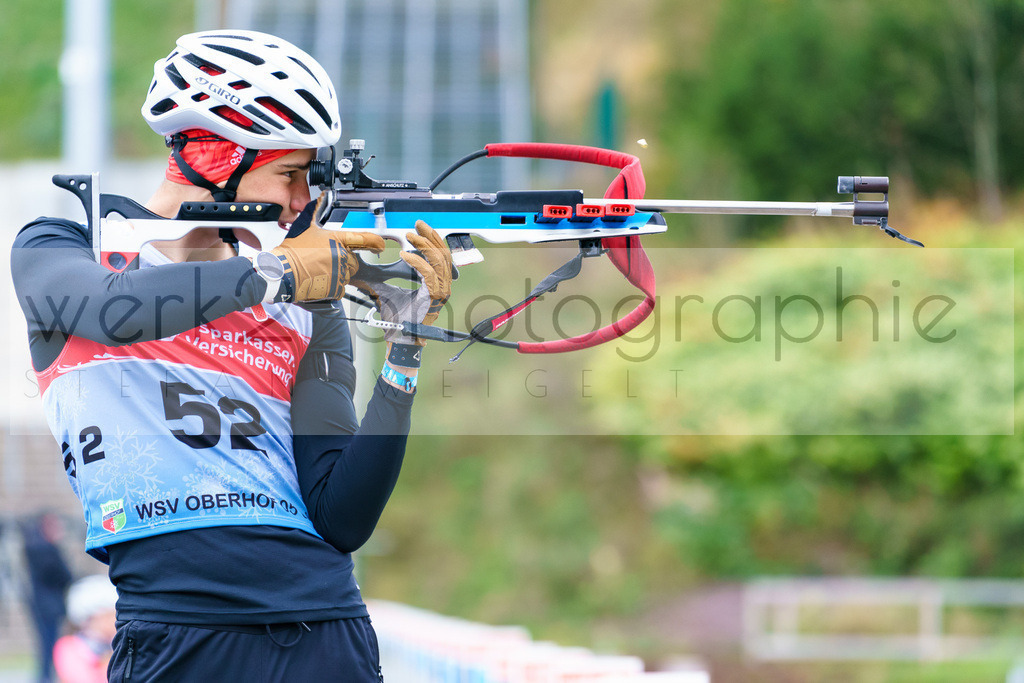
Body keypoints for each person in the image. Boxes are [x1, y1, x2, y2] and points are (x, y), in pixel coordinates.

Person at [11, 30, 452, 681]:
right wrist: (272, 273)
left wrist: (405, 349)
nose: (302, 203)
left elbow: (340, 515)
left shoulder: (305, 303)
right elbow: (113, 311)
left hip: (326, 632)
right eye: (290, 174)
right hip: (173, 637)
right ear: (218, 154)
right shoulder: (61, 246)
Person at [21, 512, 73, 683]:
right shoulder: (45, 549)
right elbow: (62, 575)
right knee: (49, 642)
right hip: (48, 605)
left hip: (41, 604)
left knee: (47, 642)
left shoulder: (34, 547)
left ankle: (45, 675)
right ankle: (46, 676)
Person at [53, 574, 118, 683]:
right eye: (108, 615)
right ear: (89, 620)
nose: (114, 620)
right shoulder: (71, 647)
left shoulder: (118, 644)